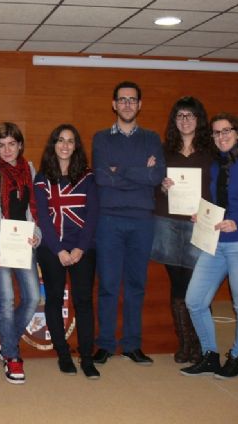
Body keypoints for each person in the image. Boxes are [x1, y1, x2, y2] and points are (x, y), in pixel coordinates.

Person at [181, 113, 238, 379]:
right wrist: (202, 214)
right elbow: (218, 203)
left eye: (226, 131)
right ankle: (210, 355)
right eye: (216, 133)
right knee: (194, 300)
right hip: (215, 243)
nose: (221, 136)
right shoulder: (214, 166)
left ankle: (237, 356)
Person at [92, 81, 165, 366]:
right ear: (113, 104)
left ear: (139, 105)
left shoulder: (151, 138)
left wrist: (119, 170)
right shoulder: (101, 138)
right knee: (108, 284)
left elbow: (156, 176)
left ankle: (133, 345)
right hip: (109, 220)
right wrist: (138, 171)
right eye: (122, 100)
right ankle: (106, 344)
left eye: (132, 100)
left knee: (136, 284)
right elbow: (101, 177)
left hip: (142, 220)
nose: (127, 104)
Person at [0, 122, 41, 385]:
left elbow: (34, 209)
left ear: (20, 145)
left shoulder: (30, 169)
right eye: (1, 145)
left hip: (23, 243)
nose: (6, 149)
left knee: (33, 297)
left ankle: (7, 343)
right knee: (5, 301)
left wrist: (36, 234)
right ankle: (12, 356)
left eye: (11, 144)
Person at [34, 124, 99, 379]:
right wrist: (59, 250)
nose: (65, 145)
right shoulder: (42, 179)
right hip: (52, 249)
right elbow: (43, 219)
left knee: (83, 302)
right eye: (60, 140)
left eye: (70, 141)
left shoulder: (88, 177)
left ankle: (86, 357)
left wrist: (81, 248)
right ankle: (62, 353)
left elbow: (92, 215)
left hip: (83, 248)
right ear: (54, 144)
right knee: (53, 300)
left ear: (76, 146)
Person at [151, 97, 213, 364]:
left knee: (196, 285)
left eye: (190, 115)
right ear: (174, 121)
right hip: (167, 222)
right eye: (180, 116)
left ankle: (201, 343)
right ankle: (185, 344)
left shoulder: (211, 152)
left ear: (199, 120)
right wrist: (161, 186)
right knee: (177, 284)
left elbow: (223, 182)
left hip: (199, 224)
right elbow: (151, 187)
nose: (185, 120)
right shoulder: (164, 152)